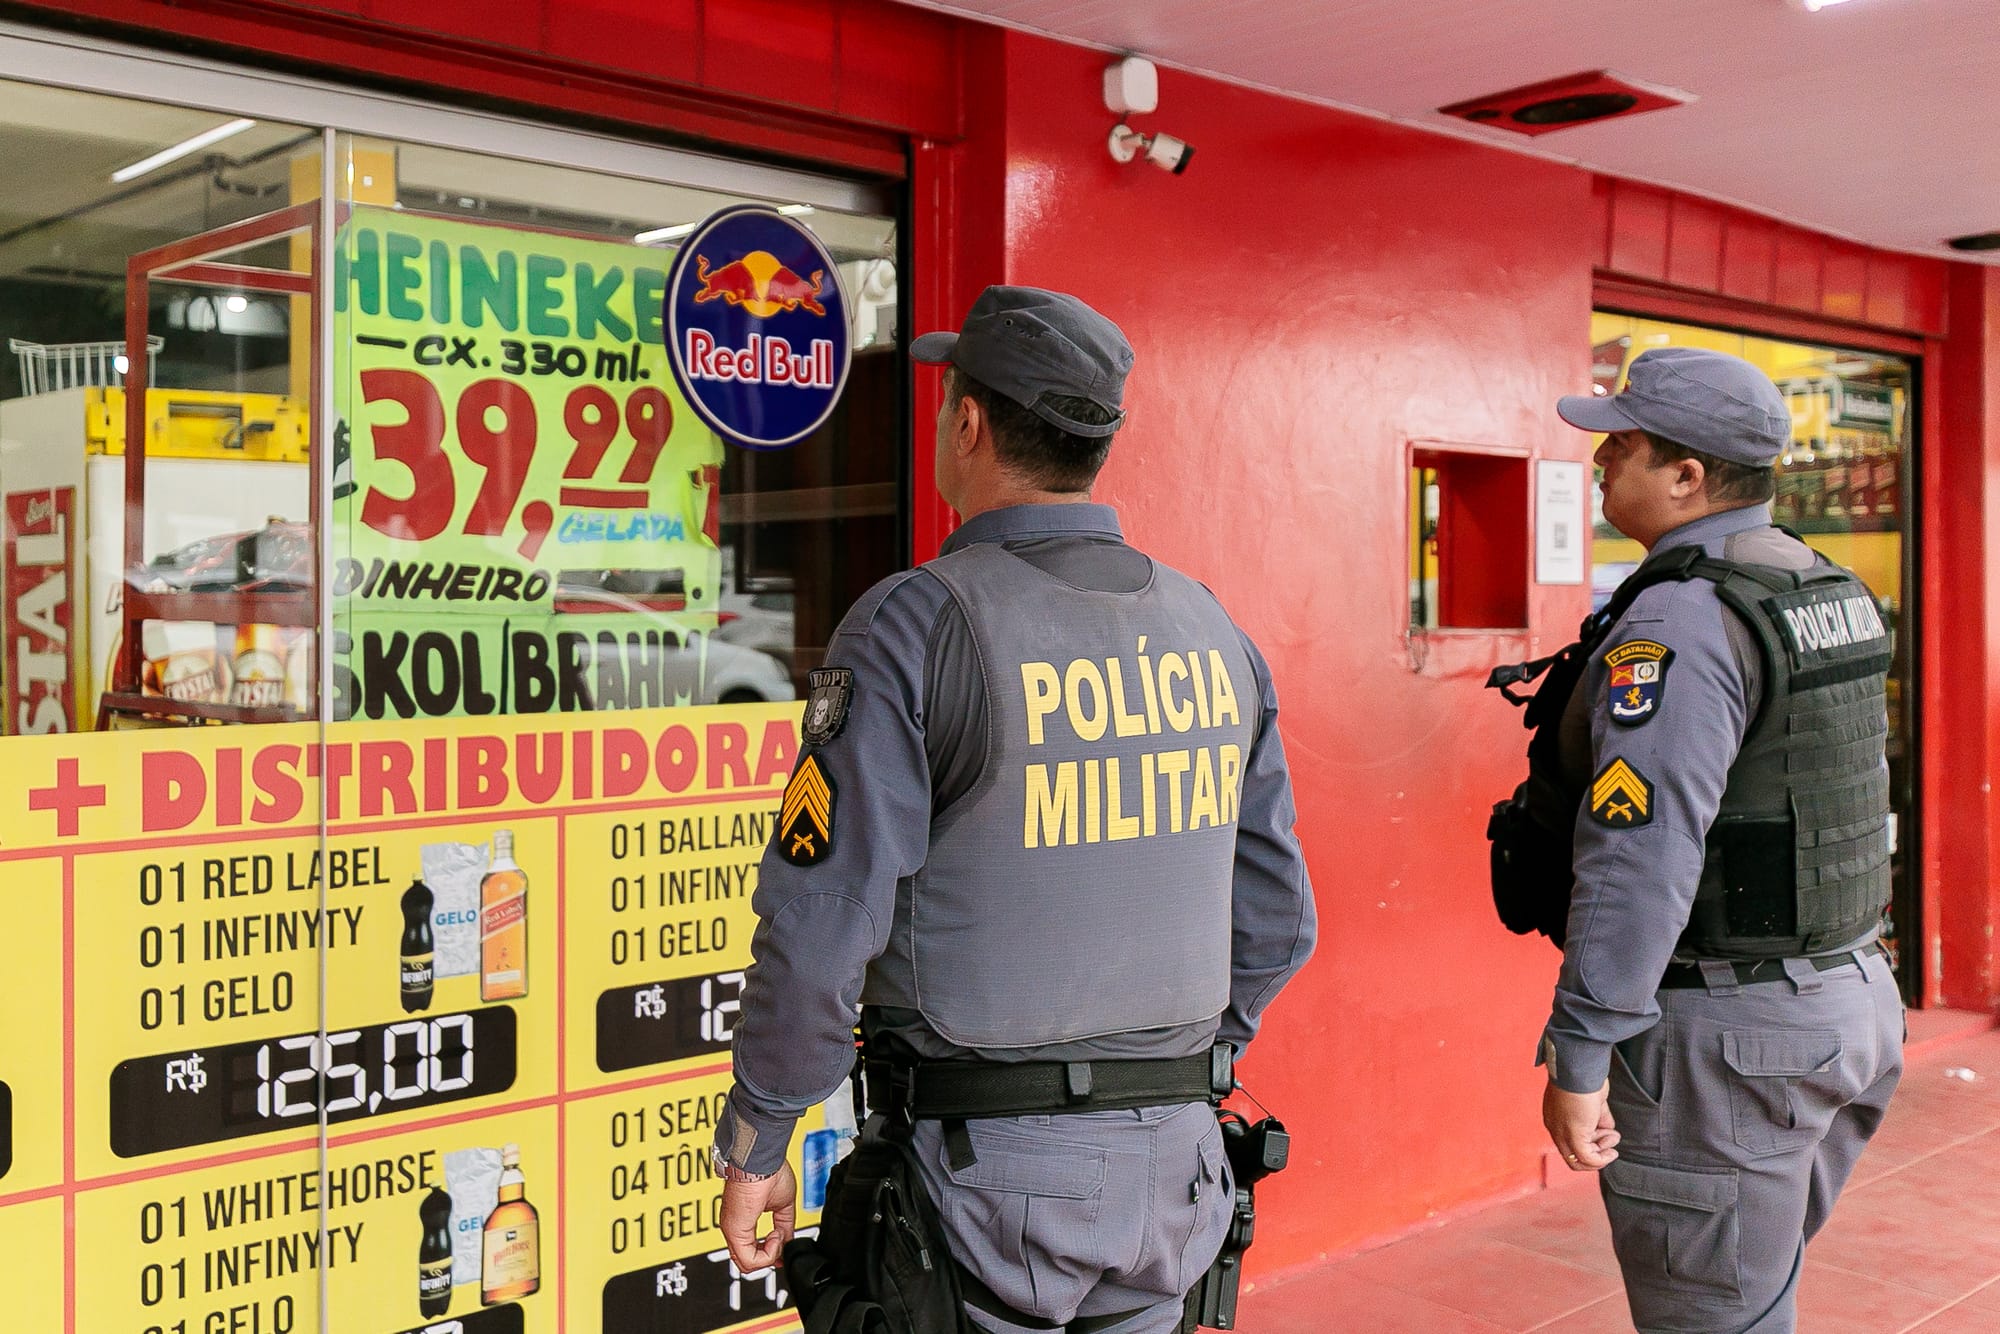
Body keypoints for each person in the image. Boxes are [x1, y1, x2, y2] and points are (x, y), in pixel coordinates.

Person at [710, 284, 1317, 1333]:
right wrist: (1174, 1070)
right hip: (1175, 1169)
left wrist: (763, 1133)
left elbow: (819, 927)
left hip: (979, 1181)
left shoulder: (914, 626)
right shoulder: (1212, 629)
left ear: (968, 422)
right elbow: (1275, 919)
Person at [1533, 347, 1905, 1333]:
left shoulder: (1682, 623)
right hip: (1847, 1000)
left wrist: (1579, 1050)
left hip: (1730, 1039)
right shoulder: (1817, 583)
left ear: (1686, 476)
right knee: (1747, 1293)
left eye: (1621, 443)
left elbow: (1639, 855)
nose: (1600, 461)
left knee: (1712, 1315)